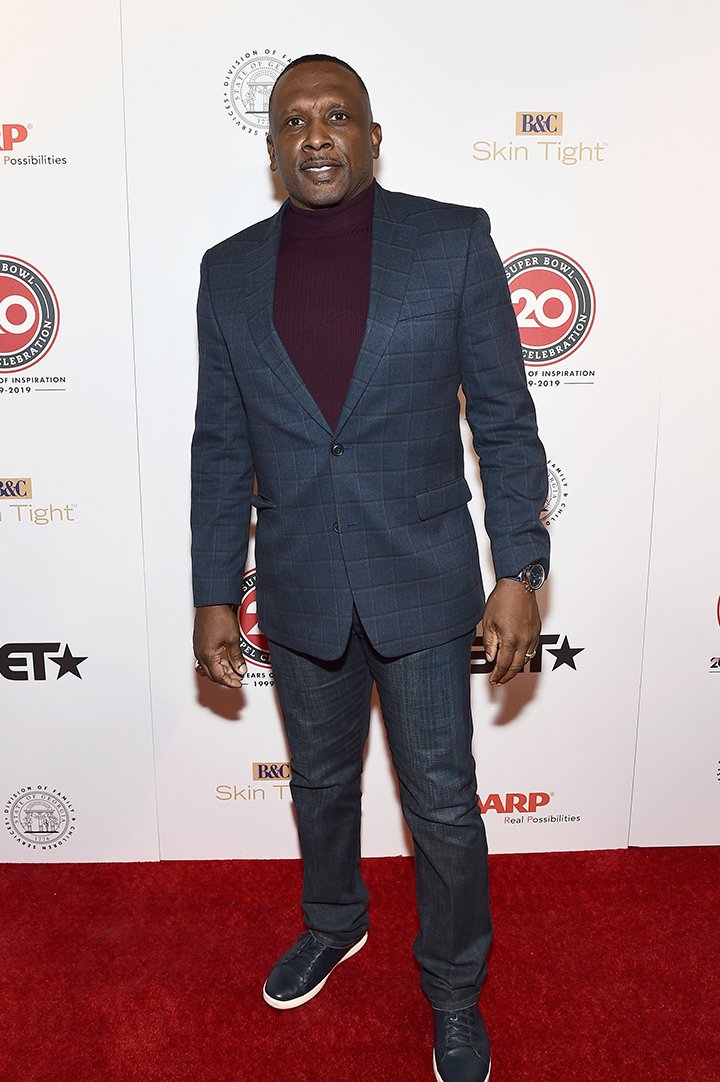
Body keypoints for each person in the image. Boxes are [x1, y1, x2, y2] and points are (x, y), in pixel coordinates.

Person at [191, 53, 549, 1082]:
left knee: (440, 800)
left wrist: (519, 562)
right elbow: (221, 442)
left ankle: (451, 989)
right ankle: (335, 919)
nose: (316, 134)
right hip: (299, 580)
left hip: (426, 580)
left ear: (372, 136)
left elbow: (506, 420)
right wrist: (216, 592)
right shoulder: (228, 269)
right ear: (270, 147)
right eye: (294, 119)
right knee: (321, 783)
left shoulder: (451, 242)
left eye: (336, 114)